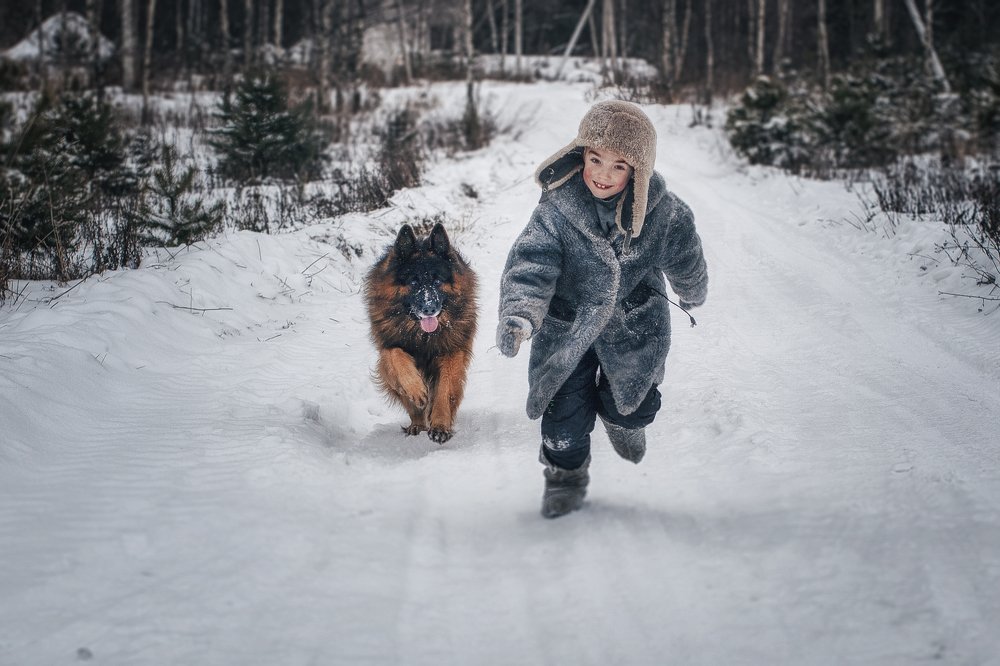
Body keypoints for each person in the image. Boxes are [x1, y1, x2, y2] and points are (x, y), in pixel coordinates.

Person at [496, 100, 709, 519]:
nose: (602, 174)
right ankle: (565, 476)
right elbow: (532, 263)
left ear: (638, 171)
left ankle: (621, 422)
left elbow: (686, 257)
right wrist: (521, 313)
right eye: (595, 159)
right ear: (580, 155)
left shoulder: (663, 213)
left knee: (634, 404)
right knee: (563, 419)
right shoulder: (557, 208)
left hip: (633, 327)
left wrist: (691, 290)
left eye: (618, 166)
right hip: (567, 326)